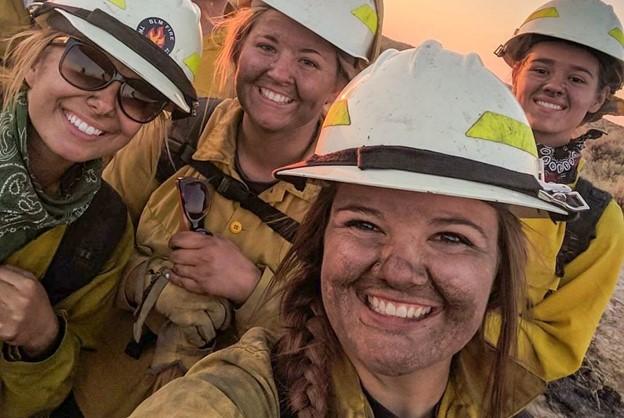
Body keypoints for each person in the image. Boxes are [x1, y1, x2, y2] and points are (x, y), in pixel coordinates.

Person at [129, 42, 584, 418]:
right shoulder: (237, 395)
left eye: (451, 237)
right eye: (364, 224)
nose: (401, 271)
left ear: (500, 270)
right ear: (320, 239)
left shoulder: (501, 402)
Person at [69, 1, 385, 416]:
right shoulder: (175, 134)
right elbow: (80, 241)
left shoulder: (340, 208)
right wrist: (150, 283)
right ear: (237, 48)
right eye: (267, 46)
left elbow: (341, 349)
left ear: (338, 88)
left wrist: (250, 288)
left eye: (309, 62)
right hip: (88, 395)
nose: (280, 72)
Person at [0, 0, 202, 416]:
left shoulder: (102, 233)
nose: (105, 104)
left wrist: (43, 338)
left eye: (139, 98)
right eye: (87, 66)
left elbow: (38, 400)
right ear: (36, 61)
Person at [489, 0, 624, 383]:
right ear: (516, 74)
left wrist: (448, 323)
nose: (554, 85)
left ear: (599, 99)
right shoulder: (443, 154)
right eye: (541, 69)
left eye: (577, 79)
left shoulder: (597, 224)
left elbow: (555, 346)